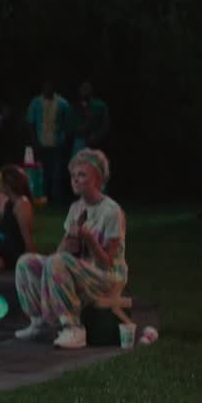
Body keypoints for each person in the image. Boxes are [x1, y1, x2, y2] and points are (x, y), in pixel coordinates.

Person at [14, 148, 127, 350]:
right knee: (26, 262)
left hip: (107, 275)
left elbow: (108, 262)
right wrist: (64, 247)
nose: (75, 179)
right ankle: (39, 321)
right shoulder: (76, 208)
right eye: (73, 175)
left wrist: (89, 239)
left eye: (82, 175)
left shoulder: (112, 211)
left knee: (57, 262)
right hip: (79, 267)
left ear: (98, 179)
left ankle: (73, 328)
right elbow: (62, 251)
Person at [26, 80, 74, 204]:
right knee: (42, 173)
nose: (48, 88)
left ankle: (56, 198)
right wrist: (34, 142)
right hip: (41, 143)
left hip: (57, 143)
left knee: (57, 173)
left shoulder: (62, 103)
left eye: (50, 86)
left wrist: (65, 141)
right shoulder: (36, 102)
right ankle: (43, 197)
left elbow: (68, 124)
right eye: (46, 86)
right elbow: (31, 123)